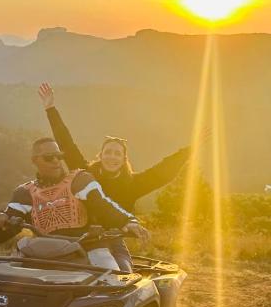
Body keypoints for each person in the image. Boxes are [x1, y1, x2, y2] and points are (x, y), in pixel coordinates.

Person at [0, 137, 149, 271]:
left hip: (89, 247)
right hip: (44, 252)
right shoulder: (24, 193)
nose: (56, 161)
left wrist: (128, 221)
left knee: (115, 282)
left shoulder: (80, 180)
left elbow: (102, 204)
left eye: (59, 156)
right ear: (35, 160)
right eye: (49, 157)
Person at [37, 82, 201, 215]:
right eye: (108, 152)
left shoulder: (134, 184)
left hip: (113, 242)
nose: (112, 157)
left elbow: (163, 171)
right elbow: (66, 143)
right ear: (100, 156)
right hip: (80, 239)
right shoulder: (85, 174)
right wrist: (50, 109)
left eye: (117, 154)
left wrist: (189, 150)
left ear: (124, 159)